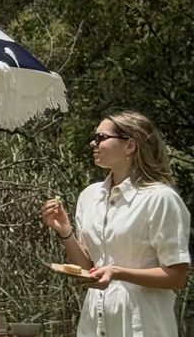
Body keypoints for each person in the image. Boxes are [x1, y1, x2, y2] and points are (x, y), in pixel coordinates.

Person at [41, 111, 190, 337]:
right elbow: (86, 269)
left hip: (143, 327)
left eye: (101, 137)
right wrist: (65, 231)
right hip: (94, 326)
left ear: (129, 145)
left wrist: (118, 272)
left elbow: (177, 277)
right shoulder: (90, 196)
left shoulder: (160, 198)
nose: (93, 143)